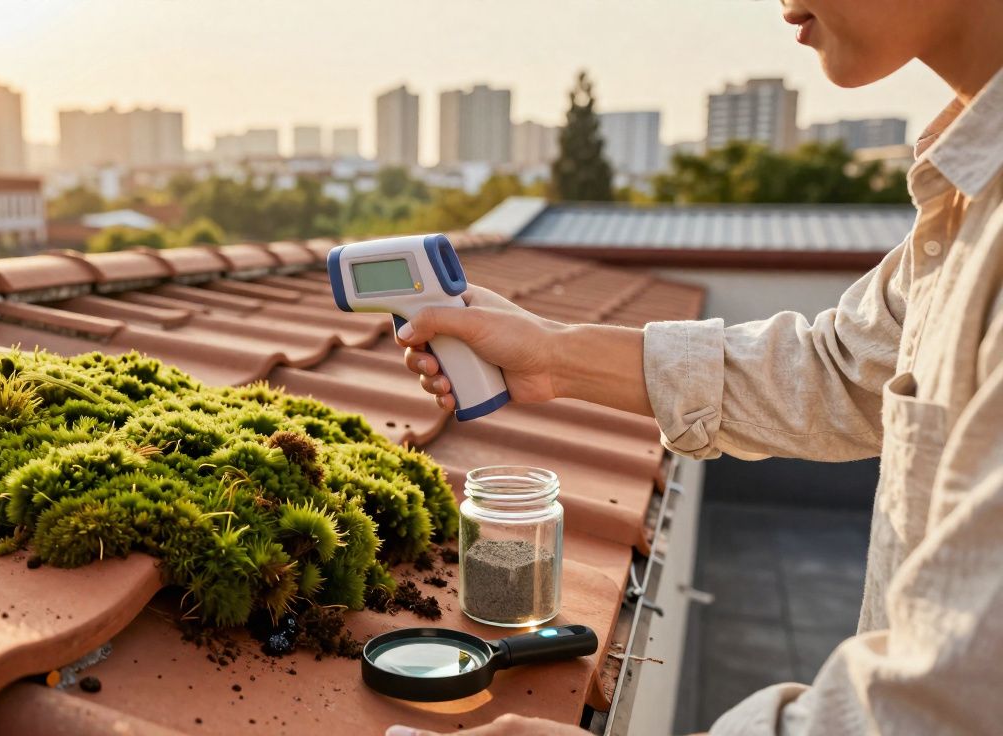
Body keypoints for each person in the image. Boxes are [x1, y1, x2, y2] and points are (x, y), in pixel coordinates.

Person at [385, 0, 1003, 734]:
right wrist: (550, 352)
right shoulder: (972, 194)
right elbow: (840, 367)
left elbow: (944, 709)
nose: (781, 2)